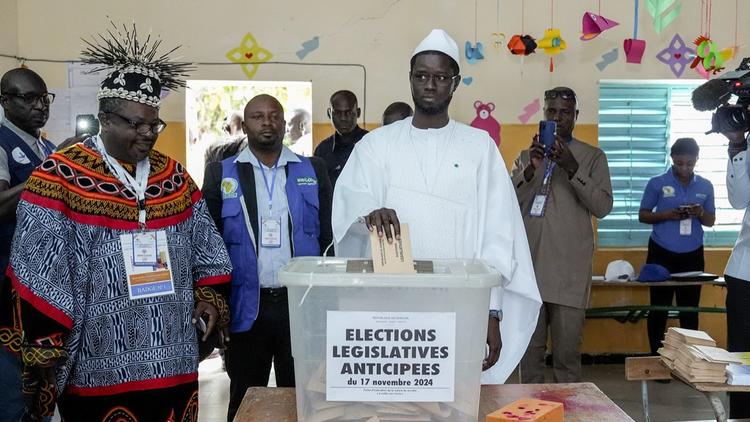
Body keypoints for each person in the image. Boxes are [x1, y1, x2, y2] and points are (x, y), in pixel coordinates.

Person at [1, 24, 233, 421]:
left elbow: (208, 248)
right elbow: (35, 264)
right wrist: (46, 341)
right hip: (98, 358)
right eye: (135, 124)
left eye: (154, 124)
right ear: (105, 119)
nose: (148, 135)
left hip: (172, 357)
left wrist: (208, 296)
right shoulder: (59, 177)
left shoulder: (173, 177)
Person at [332, 28, 541, 384]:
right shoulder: (376, 145)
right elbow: (351, 196)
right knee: (395, 399)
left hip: (462, 308)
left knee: (456, 400)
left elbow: (498, 234)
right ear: (410, 79)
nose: (430, 84)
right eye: (422, 75)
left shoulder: (480, 147)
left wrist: (493, 311)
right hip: (391, 312)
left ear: (455, 83)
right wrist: (369, 212)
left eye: (441, 77)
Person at [202, 94, 332, 422]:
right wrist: (216, 303)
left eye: (274, 115)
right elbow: (209, 244)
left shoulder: (311, 169)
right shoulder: (222, 173)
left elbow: (329, 238)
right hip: (247, 306)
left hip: (300, 306)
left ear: (284, 123)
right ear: (245, 125)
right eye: (258, 116)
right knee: (245, 396)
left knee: (304, 397)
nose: (267, 122)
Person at [512, 87, 613, 383]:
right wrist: (530, 170)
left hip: (569, 273)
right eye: (551, 112)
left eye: (565, 113)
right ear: (544, 115)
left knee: (566, 361)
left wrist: (571, 166)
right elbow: (507, 203)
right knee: (529, 359)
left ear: (576, 116)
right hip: (530, 272)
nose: (558, 118)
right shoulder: (525, 157)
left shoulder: (593, 157)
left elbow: (603, 206)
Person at [0, 67, 80, 422]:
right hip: (8, 291)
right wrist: (51, 166)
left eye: (44, 98)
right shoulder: (3, 143)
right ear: (5, 101)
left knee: (41, 398)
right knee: (13, 395)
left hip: (46, 289)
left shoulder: (45, 144)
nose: (39, 106)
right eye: (28, 98)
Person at [639, 138, 715, 355]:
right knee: (658, 309)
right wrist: (668, 215)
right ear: (672, 159)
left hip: (692, 255)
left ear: (696, 160)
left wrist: (700, 213)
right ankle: (657, 360)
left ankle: (688, 362)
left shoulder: (705, 185)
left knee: (689, 310)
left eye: (690, 163)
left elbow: (710, 221)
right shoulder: (657, 183)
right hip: (660, 253)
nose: (684, 168)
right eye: (680, 162)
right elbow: (643, 215)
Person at [724, 125, 750, 419]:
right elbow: (739, 200)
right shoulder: (746, 141)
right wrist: (737, 146)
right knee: (743, 363)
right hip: (746, 271)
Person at [314, 90, 368, 187]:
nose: (343, 118)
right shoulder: (322, 150)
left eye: (349, 113)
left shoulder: (371, 143)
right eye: (337, 113)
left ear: (358, 113)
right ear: (329, 113)